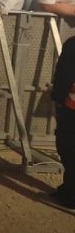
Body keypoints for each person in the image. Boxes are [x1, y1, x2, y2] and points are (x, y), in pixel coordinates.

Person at [49, 35, 75, 209]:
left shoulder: (73, 45)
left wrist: (57, 99)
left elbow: (64, 77)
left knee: (69, 150)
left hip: (71, 109)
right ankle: (67, 190)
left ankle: (70, 196)